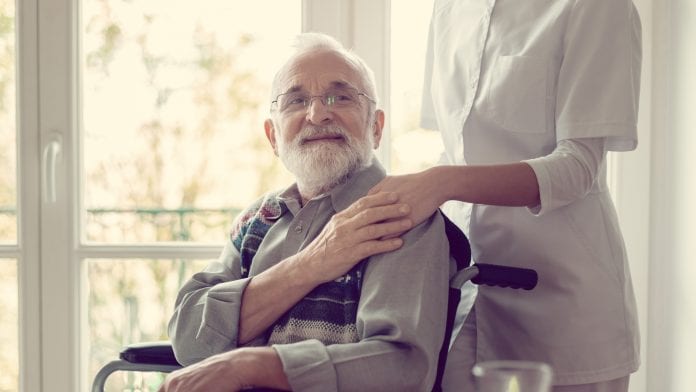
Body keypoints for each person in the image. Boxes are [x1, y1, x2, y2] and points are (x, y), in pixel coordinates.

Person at [159, 33, 454, 392]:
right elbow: (191, 339)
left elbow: (403, 368)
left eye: (340, 96)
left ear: (375, 127)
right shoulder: (258, 220)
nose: (317, 113)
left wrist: (251, 365)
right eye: (296, 101)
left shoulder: (399, 212)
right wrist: (311, 265)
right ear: (273, 137)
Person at [370, 1, 642, 391]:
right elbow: (455, 151)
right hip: (465, 295)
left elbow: (577, 167)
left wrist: (441, 182)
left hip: (563, 307)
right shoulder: (448, 9)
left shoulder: (596, 7)